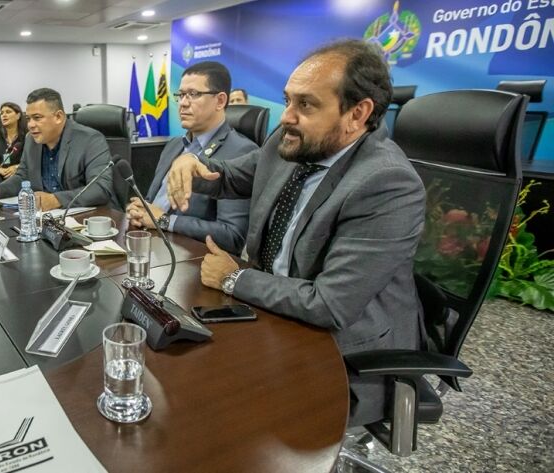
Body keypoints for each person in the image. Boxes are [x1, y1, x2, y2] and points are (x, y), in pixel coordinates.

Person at [166, 39, 426, 426]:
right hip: (272, 315)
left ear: (358, 113)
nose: (286, 116)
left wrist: (235, 277)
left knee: (217, 411)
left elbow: (329, 304)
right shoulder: (293, 141)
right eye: (288, 100)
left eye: (306, 104)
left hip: (342, 353)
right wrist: (192, 163)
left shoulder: (387, 184)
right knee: (177, 368)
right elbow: (233, 176)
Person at [126, 61, 257, 254]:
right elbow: (152, 201)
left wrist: (163, 220)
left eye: (194, 94)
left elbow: (232, 236)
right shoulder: (174, 145)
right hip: (152, 246)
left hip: (191, 260)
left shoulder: (242, 152)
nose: (183, 103)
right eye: (180, 95)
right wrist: (140, 210)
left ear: (220, 101)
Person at [0, 88, 113, 211]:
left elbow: (100, 189)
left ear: (58, 117)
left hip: (87, 218)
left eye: (37, 118)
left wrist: (55, 200)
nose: (30, 125)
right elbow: (22, 177)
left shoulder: (90, 140)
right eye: (28, 118)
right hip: (46, 219)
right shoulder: (31, 140)